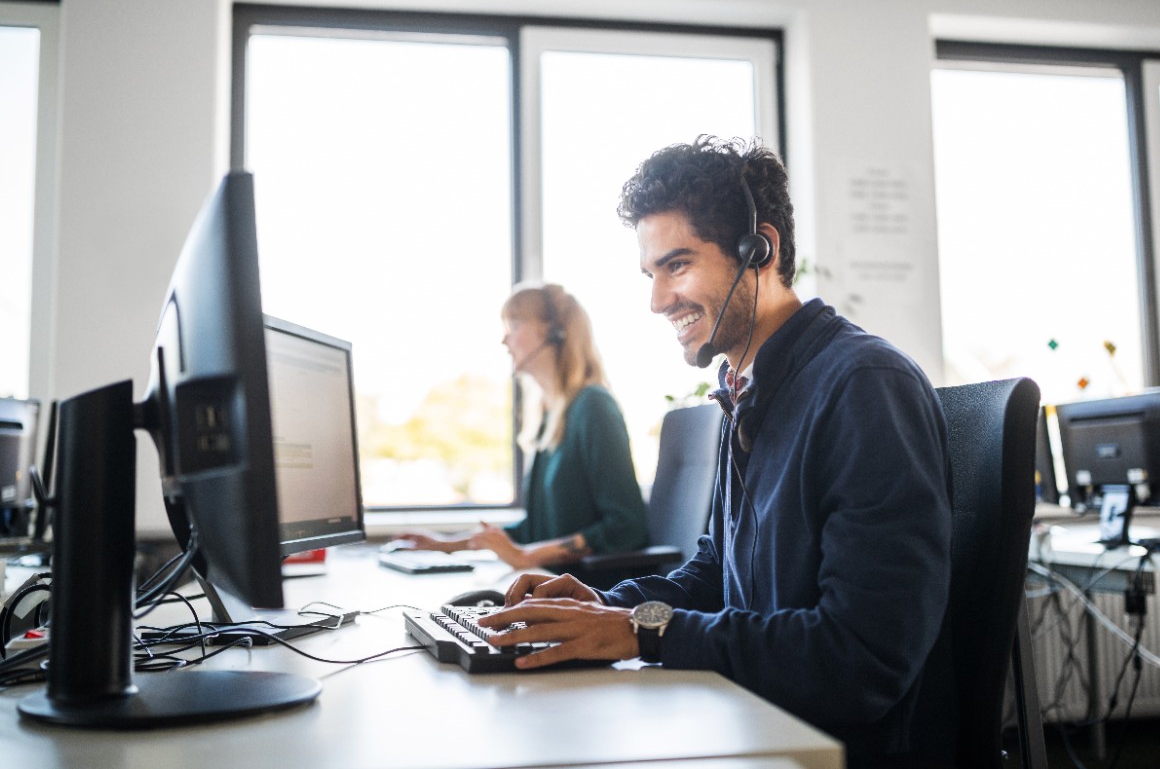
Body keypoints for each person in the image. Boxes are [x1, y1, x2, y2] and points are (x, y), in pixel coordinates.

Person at [476, 137, 956, 769]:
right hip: (750, 720)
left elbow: (859, 658)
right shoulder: (748, 390)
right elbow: (715, 574)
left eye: (677, 265)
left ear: (761, 249)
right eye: (652, 274)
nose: (656, 301)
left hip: (823, 748)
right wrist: (609, 605)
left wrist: (639, 633)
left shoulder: (862, 386)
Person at [397, 283, 649, 585]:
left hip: (591, 593)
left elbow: (626, 525)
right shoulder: (551, 416)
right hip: (548, 583)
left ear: (555, 333)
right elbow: (537, 529)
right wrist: (446, 545)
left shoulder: (593, 407)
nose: (505, 339)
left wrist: (527, 557)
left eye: (514, 326)